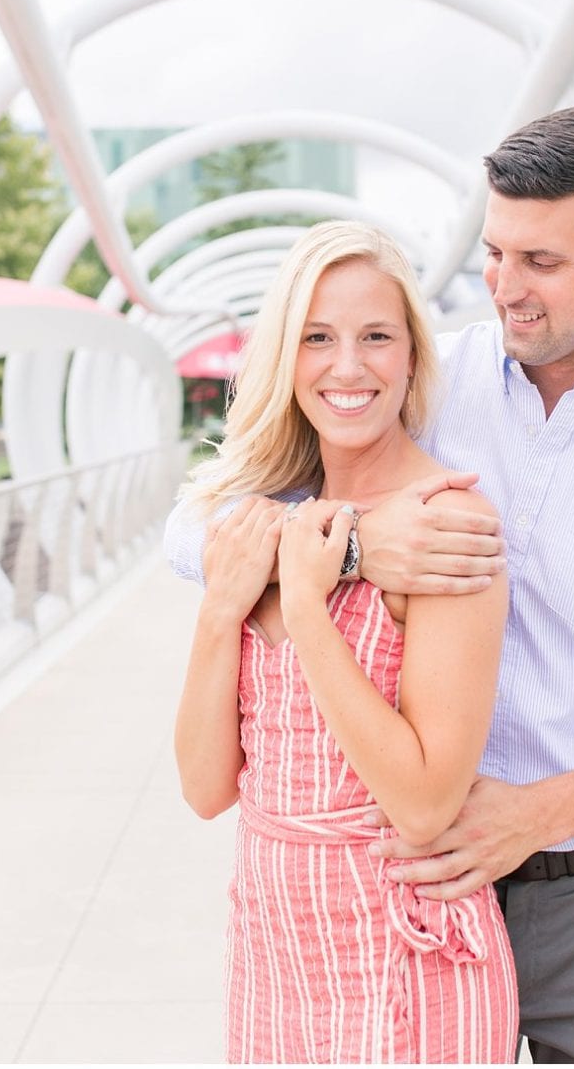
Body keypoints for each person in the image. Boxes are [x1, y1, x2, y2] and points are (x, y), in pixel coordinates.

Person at [165, 106, 574, 1063]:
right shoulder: (422, 374)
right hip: (408, 886)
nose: (506, 288)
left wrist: (536, 816)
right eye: (497, 254)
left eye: (541, 263)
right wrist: (353, 549)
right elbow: (198, 529)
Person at [174, 220, 519, 1063]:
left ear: (410, 358)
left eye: (376, 337)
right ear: (285, 359)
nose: (349, 367)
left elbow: (428, 803)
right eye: (317, 338)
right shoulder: (262, 526)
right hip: (274, 939)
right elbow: (205, 788)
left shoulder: (449, 527)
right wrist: (223, 611)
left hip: (405, 945)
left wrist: (305, 612)